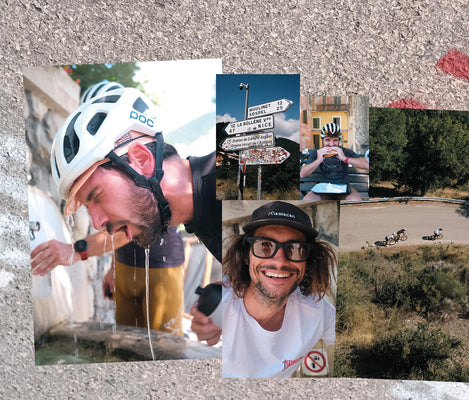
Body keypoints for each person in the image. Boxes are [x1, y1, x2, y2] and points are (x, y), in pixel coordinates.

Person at [31, 82, 190, 335]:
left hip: (162, 261)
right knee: (127, 340)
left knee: (164, 344)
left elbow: (131, 216)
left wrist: (75, 250)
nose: (96, 220)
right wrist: (113, 268)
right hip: (128, 262)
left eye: (96, 196)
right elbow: (121, 227)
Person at [190, 201, 337, 378]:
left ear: (307, 260)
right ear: (246, 255)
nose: (280, 262)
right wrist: (205, 323)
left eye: (295, 248)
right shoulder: (222, 304)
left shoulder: (321, 313)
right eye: (265, 246)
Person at [300, 122, 369, 200]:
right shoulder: (316, 153)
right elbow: (302, 174)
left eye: (335, 140)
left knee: (356, 201)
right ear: (322, 140)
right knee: (307, 200)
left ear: (339, 141)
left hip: (344, 188)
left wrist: (344, 158)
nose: (331, 144)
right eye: (327, 140)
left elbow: (367, 165)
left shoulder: (345, 152)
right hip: (324, 189)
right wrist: (318, 160)